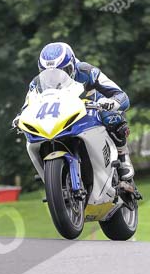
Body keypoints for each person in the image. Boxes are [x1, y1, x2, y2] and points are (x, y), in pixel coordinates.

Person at [16, 41, 138, 191]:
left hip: (91, 109)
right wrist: (20, 117)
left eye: (63, 70)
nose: (55, 77)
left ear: (73, 65)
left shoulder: (87, 71)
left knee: (111, 116)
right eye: (48, 73)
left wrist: (111, 103)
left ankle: (123, 157)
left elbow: (121, 95)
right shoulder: (37, 83)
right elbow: (27, 106)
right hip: (58, 117)